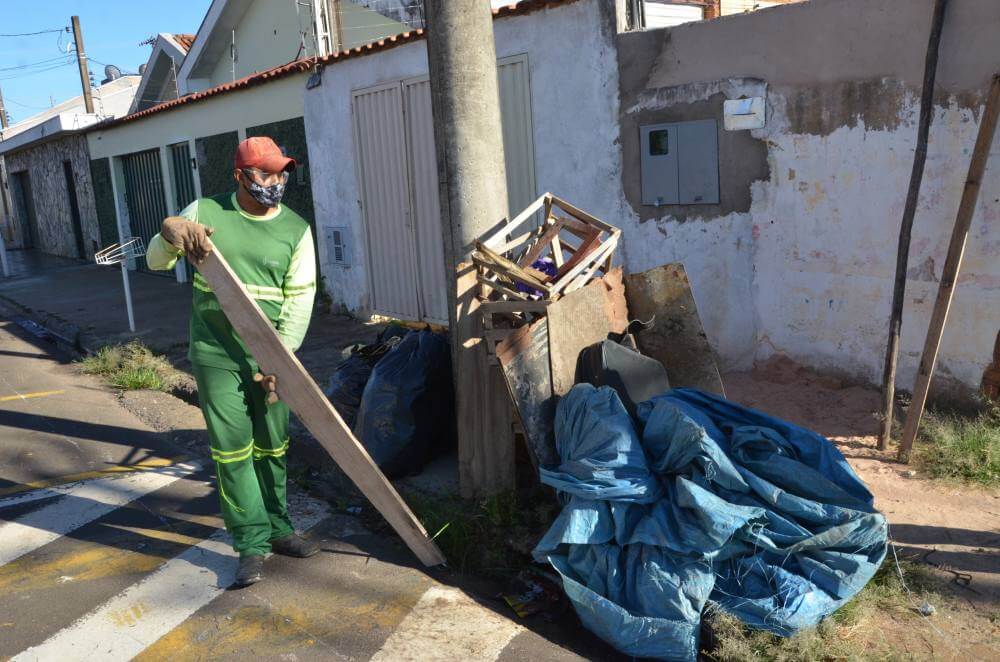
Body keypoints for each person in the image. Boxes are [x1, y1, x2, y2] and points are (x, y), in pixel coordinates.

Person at [146, 137, 317, 587]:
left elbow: (300, 298)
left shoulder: (297, 229)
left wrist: (282, 357)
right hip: (216, 353)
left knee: (273, 446)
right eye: (265, 173)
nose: (275, 182)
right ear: (240, 176)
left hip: (272, 356)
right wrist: (170, 232)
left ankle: (280, 529)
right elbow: (156, 261)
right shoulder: (205, 212)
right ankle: (251, 543)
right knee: (233, 450)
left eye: (281, 173)